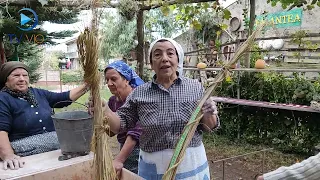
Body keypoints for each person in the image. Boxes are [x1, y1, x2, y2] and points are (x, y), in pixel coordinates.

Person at [89, 38, 220, 179]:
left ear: (178, 59)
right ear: (151, 63)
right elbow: (119, 125)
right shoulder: (139, 93)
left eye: (170, 54)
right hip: (154, 167)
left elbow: (209, 127)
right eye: (157, 55)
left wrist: (210, 113)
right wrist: (105, 110)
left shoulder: (195, 87)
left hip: (191, 164)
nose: (164, 59)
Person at [0, 61, 89, 170]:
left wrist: (87, 85)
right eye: (16, 76)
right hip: (27, 153)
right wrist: (8, 155)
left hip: (55, 147)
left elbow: (63, 98)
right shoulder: (3, 99)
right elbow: (1, 130)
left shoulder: (38, 93)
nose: (22, 79)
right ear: (6, 80)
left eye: (25, 75)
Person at [104, 60, 144, 175]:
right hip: (124, 148)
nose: (109, 83)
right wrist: (101, 115)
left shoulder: (139, 97)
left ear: (126, 79)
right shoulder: (112, 101)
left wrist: (119, 159)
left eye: (114, 79)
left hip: (141, 150)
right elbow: (112, 132)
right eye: (107, 80)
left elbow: (135, 134)